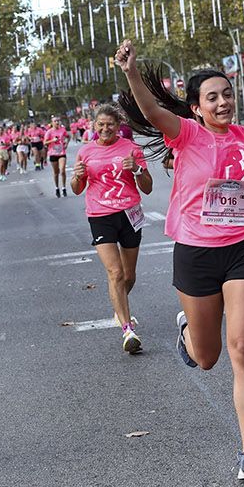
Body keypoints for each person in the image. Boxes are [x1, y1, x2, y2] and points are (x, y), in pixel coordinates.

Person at [119, 41, 244, 481]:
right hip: (196, 253)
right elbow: (151, 113)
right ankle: (188, 328)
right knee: (206, 358)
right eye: (213, 97)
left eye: (227, 93)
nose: (223, 101)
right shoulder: (186, 134)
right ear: (196, 107)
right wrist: (132, 73)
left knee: (242, 348)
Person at [70, 104, 153, 353]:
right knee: (115, 273)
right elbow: (77, 188)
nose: (105, 128)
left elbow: (147, 187)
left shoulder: (131, 149)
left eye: (110, 124)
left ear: (118, 127)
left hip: (129, 213)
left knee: (129, 276)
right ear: (94, 126)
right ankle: (127, 330)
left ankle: (119, 306)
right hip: (100, 215)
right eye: (101, 124)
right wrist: (76, 176)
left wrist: (137, 169)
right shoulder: (85, 153)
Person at [44, 115, 70, 197]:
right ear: (52, 123)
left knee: (62, 170)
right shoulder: (49, 132)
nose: (57, 122)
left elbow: (68, 137)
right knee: (56, 172)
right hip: (53, 153)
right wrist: (52, 140)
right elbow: (45, 142)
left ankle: (64, 188)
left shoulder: (62, 130)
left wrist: (66, 143)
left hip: (61, 153)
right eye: (55, 121)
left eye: (58, 121)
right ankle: (57, 188)